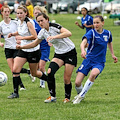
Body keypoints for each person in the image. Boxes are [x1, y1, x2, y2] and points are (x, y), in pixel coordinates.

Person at [16, 12, 77, 103]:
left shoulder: (54, 26)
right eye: (39, 21)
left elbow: (68, 33)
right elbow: (35, 43)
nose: (41, 23)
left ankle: (67, 98)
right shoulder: (43, 32)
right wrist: (22, 47)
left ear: (47, 19)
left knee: (66, 78)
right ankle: (53, 97)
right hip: (59, 54)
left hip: (70, 52)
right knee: (50, 72)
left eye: (42, 20)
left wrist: (54, 36)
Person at [72, 15, 118, 104]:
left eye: (97, 22)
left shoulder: (108, 33)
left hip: (99, 62)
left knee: (93, 74)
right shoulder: (91, 33)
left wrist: (113, 54)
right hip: (88, 59)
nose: (95, 24)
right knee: (77, 83)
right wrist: (82, 51)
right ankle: (80, 94)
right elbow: (83, 43)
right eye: (94, 23)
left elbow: (109, 42)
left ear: (103, 23)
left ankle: (81, 96)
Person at [7, 5, 48, 99]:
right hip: (23, 49)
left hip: (33, 50)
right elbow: (21, 31)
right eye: (17, 13)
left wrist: (22, 38)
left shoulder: (29, 22)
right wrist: (13, 34)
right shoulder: (19, 21)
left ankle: (49, 80)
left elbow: (34, 36)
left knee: (34, 73)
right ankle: (15, 93)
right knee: (15, 70)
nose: (19, 15)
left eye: (21, 13)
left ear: (26, 13)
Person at [0, 5, 35, 91]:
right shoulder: (1, 24)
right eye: (5, 12)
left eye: (8, 11)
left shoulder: (15, 22)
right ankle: (28, 72)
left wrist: (19, 39)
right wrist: (0, 42)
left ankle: (21, 87)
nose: (7, 13)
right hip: (8, 48)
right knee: (13, 70)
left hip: (16, 47)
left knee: (16, 69)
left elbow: (20, 31)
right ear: (2, 13)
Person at [33, 6, 50, 88]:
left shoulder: (44, 22)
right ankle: (46, 79)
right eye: (35, 13)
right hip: (36, 47)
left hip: (45, 47)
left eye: (38, 13)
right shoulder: (32, 23)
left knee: (41, 66)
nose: (36, 14)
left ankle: (42, 84)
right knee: (36, 68)